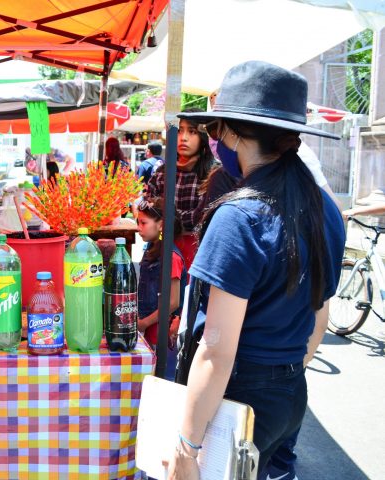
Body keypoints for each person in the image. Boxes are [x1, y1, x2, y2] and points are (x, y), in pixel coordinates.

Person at [166, 61, 345, 480]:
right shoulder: (325, 208)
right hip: (291, 392)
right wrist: (286, 375)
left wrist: (186, 449)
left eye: (214, 130)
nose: (214, 140)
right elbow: (320, 314)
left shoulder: (239, 216)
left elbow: (216, 349)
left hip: (239, 395)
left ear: (232, 133)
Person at [146, 108, 216, 268]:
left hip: (198, 254)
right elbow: (149, 210)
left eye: (192, 131)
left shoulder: (213, 175)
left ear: (203, 136)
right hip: (161, 250)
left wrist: (166, 215)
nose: (183, 138)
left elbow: (201, 218)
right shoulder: (162, 173)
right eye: (179, 130)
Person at [135, 197, 185, 381]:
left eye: (143, 223)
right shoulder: (152, 249)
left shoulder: (171, 257)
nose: (138, 228)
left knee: (160, 379)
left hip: (161, 334)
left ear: (161, 225)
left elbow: (173, 302)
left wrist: (144, 323)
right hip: (151, 330)